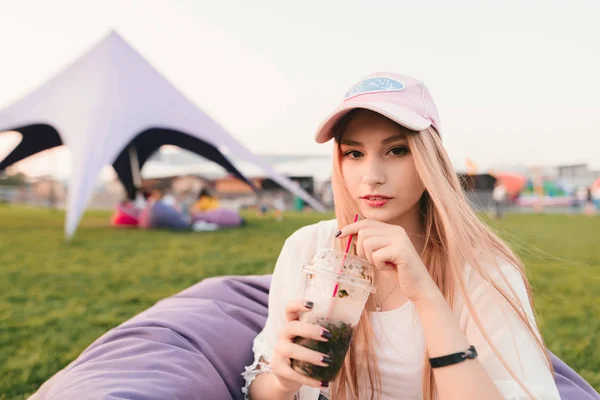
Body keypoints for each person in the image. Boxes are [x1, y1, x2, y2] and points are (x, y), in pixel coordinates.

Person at [242, 73, 560, 400]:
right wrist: (283, 383)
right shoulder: (310, 248)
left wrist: (426, 295)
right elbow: (262, 388)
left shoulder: (483, 269)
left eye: (396, 151)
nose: (372, 177)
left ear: (429, 158)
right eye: (354, 154)